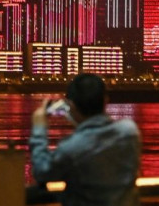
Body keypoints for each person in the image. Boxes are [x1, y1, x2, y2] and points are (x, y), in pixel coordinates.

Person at [29, 73, 141, 206]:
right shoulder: (129, 132)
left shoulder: (70, 148)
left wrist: (39, 128)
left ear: (72, 106)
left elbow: (42, 172)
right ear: (105, 100)